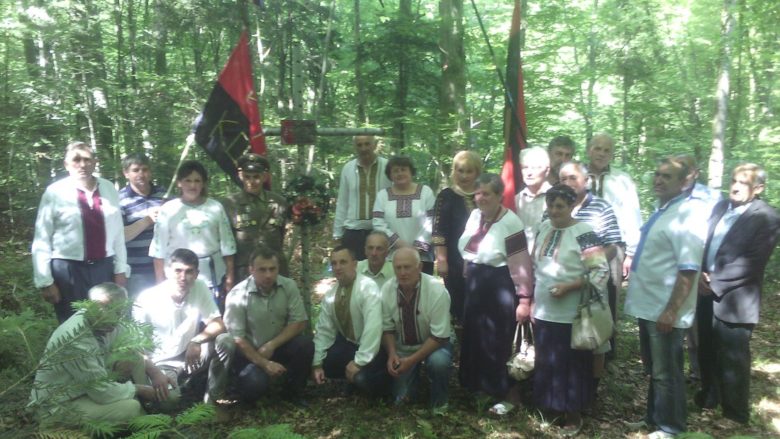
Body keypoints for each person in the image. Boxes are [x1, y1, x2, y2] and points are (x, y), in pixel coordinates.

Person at [624, 157, 705, 438]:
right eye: (657, 174)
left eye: (667, 176)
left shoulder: (687, 217)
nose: (658, 180)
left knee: (667, 371)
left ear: (684, 182)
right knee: (656, 371)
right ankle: (654, 419)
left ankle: (671, 427)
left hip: (664, 309)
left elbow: (688, 269)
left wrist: (671, 310)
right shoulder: (662, 211)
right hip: (648, 305)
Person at [695, 163, 780, 423]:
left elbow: (752, 263)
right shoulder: (720, 207)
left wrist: (714, 281)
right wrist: (699, 274)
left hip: (736, 299)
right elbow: (704, 243)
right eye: (733, 180)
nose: (735, 187)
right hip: (705, 291)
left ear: (758, 188)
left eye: (743, 183)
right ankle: (709, 397)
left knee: (733, 356)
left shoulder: (767, 217)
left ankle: (735, 413)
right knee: (706, 348)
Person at [29, 283, 173, 425]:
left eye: (119, 311)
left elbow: (135, 347)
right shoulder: (74, 339)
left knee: (133, 356)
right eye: (106, 308)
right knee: (130, 408)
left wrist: (155, 372)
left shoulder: (109, 324)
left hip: (87, 390)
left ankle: (153, 404)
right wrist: (139, 389)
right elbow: (101, 392)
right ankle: (148, 422)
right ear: (90, 306)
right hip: (58, 404)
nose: (114, 318)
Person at [531, 184, 610, 436]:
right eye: (550, 205)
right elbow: (536, 267)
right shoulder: (544, 227)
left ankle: (574, 414)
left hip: (572, 312)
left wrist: (570, 286)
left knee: (572, 363)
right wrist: (532, 300)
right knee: (548, 358)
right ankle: (552, 407)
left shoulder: (584, 232)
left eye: (560, 206)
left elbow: (600, 271)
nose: (554, 211)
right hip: (544, 308)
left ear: (572, 206)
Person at [458, 173, 533, 415]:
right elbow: (469, 251)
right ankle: (480, 388)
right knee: (476, 335)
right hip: (476, 283)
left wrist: (524, 299)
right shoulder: (474, 216)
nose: (481, 198)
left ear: (500, 195)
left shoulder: (511, 222)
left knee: (499, 338)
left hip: (499, 284)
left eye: (487, 193)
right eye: (477, 193)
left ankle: (507, 394)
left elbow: (521, 263)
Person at [32, 141, 130, 323]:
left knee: (106, 321)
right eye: (76, 160)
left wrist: (121, 270)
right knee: (72, 325)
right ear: (66, 164)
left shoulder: (108, 188)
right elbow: (42, 238)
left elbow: (118, 234)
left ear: (95, 162)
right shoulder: (55, 192)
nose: (82, 165)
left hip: (103, 268)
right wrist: (45, 281)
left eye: (87, 159)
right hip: (68, 271)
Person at [132, 249, 229, 408]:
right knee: (169, 401)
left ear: (196, 274)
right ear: (167, 271)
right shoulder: (146, 299)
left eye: (189, 271)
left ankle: (213, 400)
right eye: (178, 271)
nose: (183, 277)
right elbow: (136, 348)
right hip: (161, 362)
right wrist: (155, 373)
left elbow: (218, 324)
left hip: (190, 354)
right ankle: (183, 386)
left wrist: (196, 340)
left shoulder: (199, 287)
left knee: (226, 341)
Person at [220, 246, 313, 405]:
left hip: (277, 347)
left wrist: (271, 345)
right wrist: (264, 363)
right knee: (255, 385)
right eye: (262, 270)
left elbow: (299, 322)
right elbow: (237, 339)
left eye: (272, 269)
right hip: (250, 353)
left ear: (278, 268)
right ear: (251, 270)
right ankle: (242, 387)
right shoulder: (237, 294)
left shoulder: (288, 286)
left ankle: (293, 392)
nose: (268, 275)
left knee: (305, 345)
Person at [558, 160, 623, 369]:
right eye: (563, 179)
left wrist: (593, 264)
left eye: (573, 178)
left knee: (595, 339)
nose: (568, 183)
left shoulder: (601, 207)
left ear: (586, 180)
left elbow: (614, 244)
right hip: (560, 283)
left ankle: (592, 384)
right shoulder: (553, 206)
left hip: (592, 283)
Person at [149, 160, 237, 304]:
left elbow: (228, 246)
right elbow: (158, 251)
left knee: (212, 315)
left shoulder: (216, 207)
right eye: (188, 180)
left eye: (197, 180)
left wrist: (229, 278)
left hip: (212, 276)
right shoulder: (168, 210)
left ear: (203, 183)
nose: (192, 185)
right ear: (179, 183)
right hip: (177, 278)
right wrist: (160, 281)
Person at [380, 247, 452, 415]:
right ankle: (413, 383)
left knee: (439, 362)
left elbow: (439, 336)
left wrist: (411, 361)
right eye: (398, 268)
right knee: (401, 400)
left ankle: (439, 403)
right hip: (404, 346)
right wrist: (392, 354)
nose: (402, 272)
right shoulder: (387, 289)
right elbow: (387, 328)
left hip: (435, 344)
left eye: (407, 267)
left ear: (419, 267)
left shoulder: (436, 290)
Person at [311, 246, 389, 396]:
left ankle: (374, 385)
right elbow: (324, 331)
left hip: (375, 349)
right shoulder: (330, 295)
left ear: (354, 264)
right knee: (319, 359)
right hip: (350, 346)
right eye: (334, 263)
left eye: (343, 262)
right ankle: (350, 379)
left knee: (362, 379)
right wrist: (317, 363)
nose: (338, 267)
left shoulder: (367, 287)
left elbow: (373, 329)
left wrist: (359, 362)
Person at [675, 154, 722, 382]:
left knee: (696, 326)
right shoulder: (669, 193)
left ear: (695, 172)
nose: (682, 172)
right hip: (671, 268)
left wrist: (705, 267)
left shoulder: (711, 198)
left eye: (686, 168)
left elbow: (716, 235)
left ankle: (701, 374)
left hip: (698, 267)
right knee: (673, 321)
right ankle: (673, 372)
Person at [220, 153, 289, 280]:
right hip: (244, 271)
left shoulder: (279, 202)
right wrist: (229, 275)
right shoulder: (229, 204)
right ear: (241, 176)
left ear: (265, 176)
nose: (251, 182)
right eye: (247, 177)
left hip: (274, 269)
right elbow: (226, 243)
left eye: (256, 177)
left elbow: (281, 235)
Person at [432, 150, 482, 321]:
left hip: (482, 260)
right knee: (458, 304)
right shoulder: (446, 196)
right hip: (454, 260)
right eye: (460, 170)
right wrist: (442, 260)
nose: (464, 176)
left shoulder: (484, 194)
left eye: (469, 171)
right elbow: (439, 231)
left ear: (477, 172)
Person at [586, 133, 642, 281]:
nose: (602, 154)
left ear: (612, 155)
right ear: (589, 151)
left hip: (614, 246)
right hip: (582, 244)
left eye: (607, 150)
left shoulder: (622, 179)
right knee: (579, 287)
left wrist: (631, 253)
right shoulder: (578, 177)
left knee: (610, 289)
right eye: (598, 149)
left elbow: (632, 215)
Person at [372, 156, 436, 274]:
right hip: (392, 257)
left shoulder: (425, 192)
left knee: (422, 285)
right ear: (390, 175)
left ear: (411, 171)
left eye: (403, 169)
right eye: (395, 171)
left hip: (422, 258)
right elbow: (378, 223)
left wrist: (418, 248)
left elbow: (431, 221)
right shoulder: (383, 195)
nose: (400, 173)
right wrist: (400, 244)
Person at [333, 135, 392, 260]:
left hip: (381, 232)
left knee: (382, 269)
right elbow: (342, 202)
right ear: (355, 147)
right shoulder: (348, 168)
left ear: (374, 144)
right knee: (354, 270)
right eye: (359, 145)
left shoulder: (387, 167)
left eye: (367, 144)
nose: (363, 148)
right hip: (353, 233)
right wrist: (337, 234)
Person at [119, 153, 167, 298]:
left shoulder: (164, 195)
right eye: (135, 170)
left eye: (145, 169)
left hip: (166, 266)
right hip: (136, 271)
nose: (141, 174)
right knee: (140, 309)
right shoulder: (119, 199)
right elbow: (120, 236)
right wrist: (147, 220)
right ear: (126, 173)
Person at [514, 146, 552, 250]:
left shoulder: (556, 199)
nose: (529, 173)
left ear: (547, 170)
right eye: (525, 167)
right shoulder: (515, 201)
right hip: (519, 256)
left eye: (535, 168)